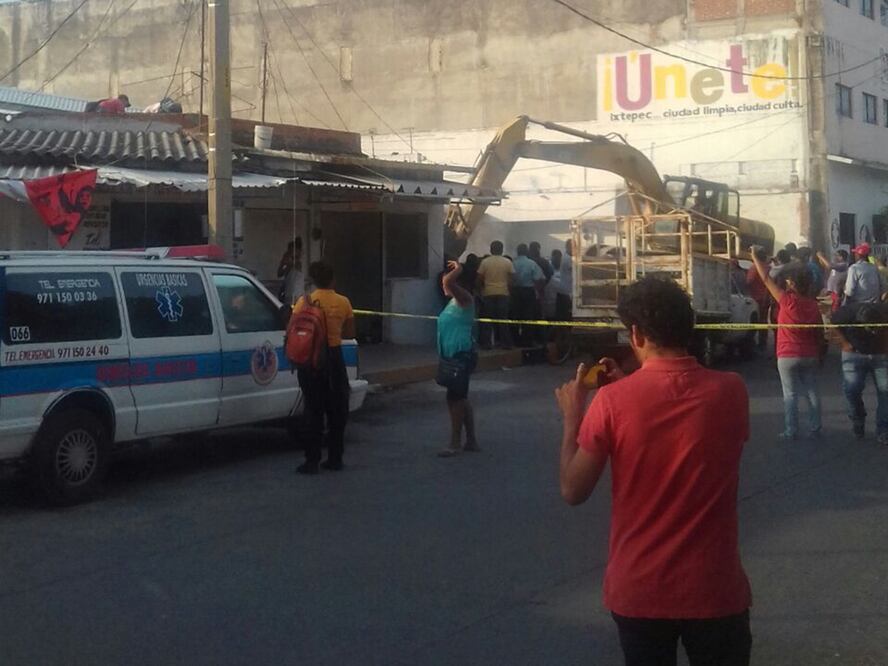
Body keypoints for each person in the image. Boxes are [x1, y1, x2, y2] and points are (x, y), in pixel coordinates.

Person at [555, 276, 752, 666]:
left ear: (635, 334)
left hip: (641, 589)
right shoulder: (731, 390)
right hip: (714, 587)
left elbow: (572, 490)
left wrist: (573, 419)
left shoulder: (611, 401)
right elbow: (677, 410)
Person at [752, 247, 823, 440]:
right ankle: (816, 427)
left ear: (791, 283)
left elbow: (765, 279)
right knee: (811, 390)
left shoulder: (787, 300)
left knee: (790, 394)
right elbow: (819, 330)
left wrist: (754, 257)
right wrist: (820, 354)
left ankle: (791, 430)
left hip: (787, 354)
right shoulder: (813, 305)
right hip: (809, 353)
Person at [292, 261, 355, 474]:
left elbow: (294, 328)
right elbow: (350, 333)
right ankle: (335, 458)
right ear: (333, 279)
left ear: (313, 280)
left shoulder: (304, 301)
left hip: (310, 360)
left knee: (313, 409)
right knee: (337, 410)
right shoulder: (343, 302)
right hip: (334, 358)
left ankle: (312, 460)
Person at [437, 260, 480, 457]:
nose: (442, 283)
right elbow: (447, 283)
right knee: (460, 398)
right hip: (452, 355)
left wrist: (460, 267)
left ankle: (455, 442)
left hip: (460, 354)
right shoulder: (454, 302)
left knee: (455, 398)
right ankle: (471, 440)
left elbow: (448, 283)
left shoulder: (465, 299)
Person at [831, 301, 888, 443]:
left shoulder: (885, 310)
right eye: (870, 329)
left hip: (880, 355)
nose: (873, 332)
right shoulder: (848, 312)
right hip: (854, 353)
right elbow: (832, 324)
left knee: (885, 391)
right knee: (852, 389)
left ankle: (884, 430)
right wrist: (844, 344)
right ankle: (858, 418)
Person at [476, 241, 514, 349]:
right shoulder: (507, 262)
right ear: (502, 250)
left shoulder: (485, 262)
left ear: (491, 249)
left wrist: (480, 292)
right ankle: (506, 344)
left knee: (487, 320)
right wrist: (509, 293)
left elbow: (479, 279)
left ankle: (486, 344)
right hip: (503, 293)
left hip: (488, 294)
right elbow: (511, 280)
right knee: (503, 320)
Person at [511, 243, 545, 346]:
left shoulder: (512, 263)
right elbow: (539, 278)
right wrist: (537, 290)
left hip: (515, 291)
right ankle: (527, 341)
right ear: (526, 252)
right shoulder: (532, 263)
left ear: (517, 252)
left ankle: (515, 340)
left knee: (515, 316)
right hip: (528, 291)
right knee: (528, 316)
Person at [746, 247, 770, 350]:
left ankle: (752, 342)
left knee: (754, 321)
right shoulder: (768, 267)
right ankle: (762, 342)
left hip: (755, 298)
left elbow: (749, 281)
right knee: (763, 321)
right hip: (766, 297)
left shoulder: (754, 267)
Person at [276, 238, 304, 306]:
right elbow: (279, 273)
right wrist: (283, 263)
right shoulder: (287, 263)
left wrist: (287, 261)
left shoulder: (298, 263)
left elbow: (296, 265)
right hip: (288, 294)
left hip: (297, 295)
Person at [556, 238, 574, 322]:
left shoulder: (568, 257)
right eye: (572, 247)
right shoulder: (567, 259)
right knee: (566, 318)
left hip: (566, 291)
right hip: (566, 292)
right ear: (567, 247)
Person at [543, 249, 562, 319]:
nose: (557, 259)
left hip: (559, 299)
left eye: (558, 258)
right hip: (549, 297)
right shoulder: (548, 267)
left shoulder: (563, 268)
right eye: (555, 257)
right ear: (552, 257)